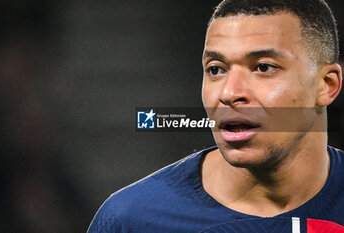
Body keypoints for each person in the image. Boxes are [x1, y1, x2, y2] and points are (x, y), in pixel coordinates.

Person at [87, 0, 344, 232]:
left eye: (263, 67)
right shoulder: (132, 220)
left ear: (327, 84)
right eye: (216, 70)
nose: (229, 93)